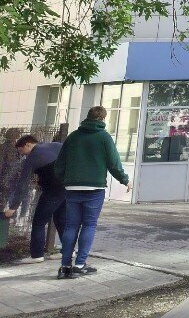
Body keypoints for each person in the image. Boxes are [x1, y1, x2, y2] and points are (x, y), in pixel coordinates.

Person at [53, 106, 131, 279]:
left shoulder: (73, 137)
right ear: (103, 119)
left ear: (87, 117)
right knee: (89, 225)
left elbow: (59, 164)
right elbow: (113, 163)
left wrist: (67, 180)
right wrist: (125, 180)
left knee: (71, 226)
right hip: (94, 189)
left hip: (72, 188)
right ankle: (80, 264)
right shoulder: (104, 137)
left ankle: (65, 266)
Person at [3, 135, 65, 263]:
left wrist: (13, 207)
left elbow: (22, 185)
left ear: (28, 144)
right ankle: (68, 251)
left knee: (38, 223)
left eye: (21, 150)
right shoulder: (57, 145)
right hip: (68, 188)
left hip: (52, 191)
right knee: (61, 220)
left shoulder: (32, 157)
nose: (22, 154)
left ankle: (37, 255)